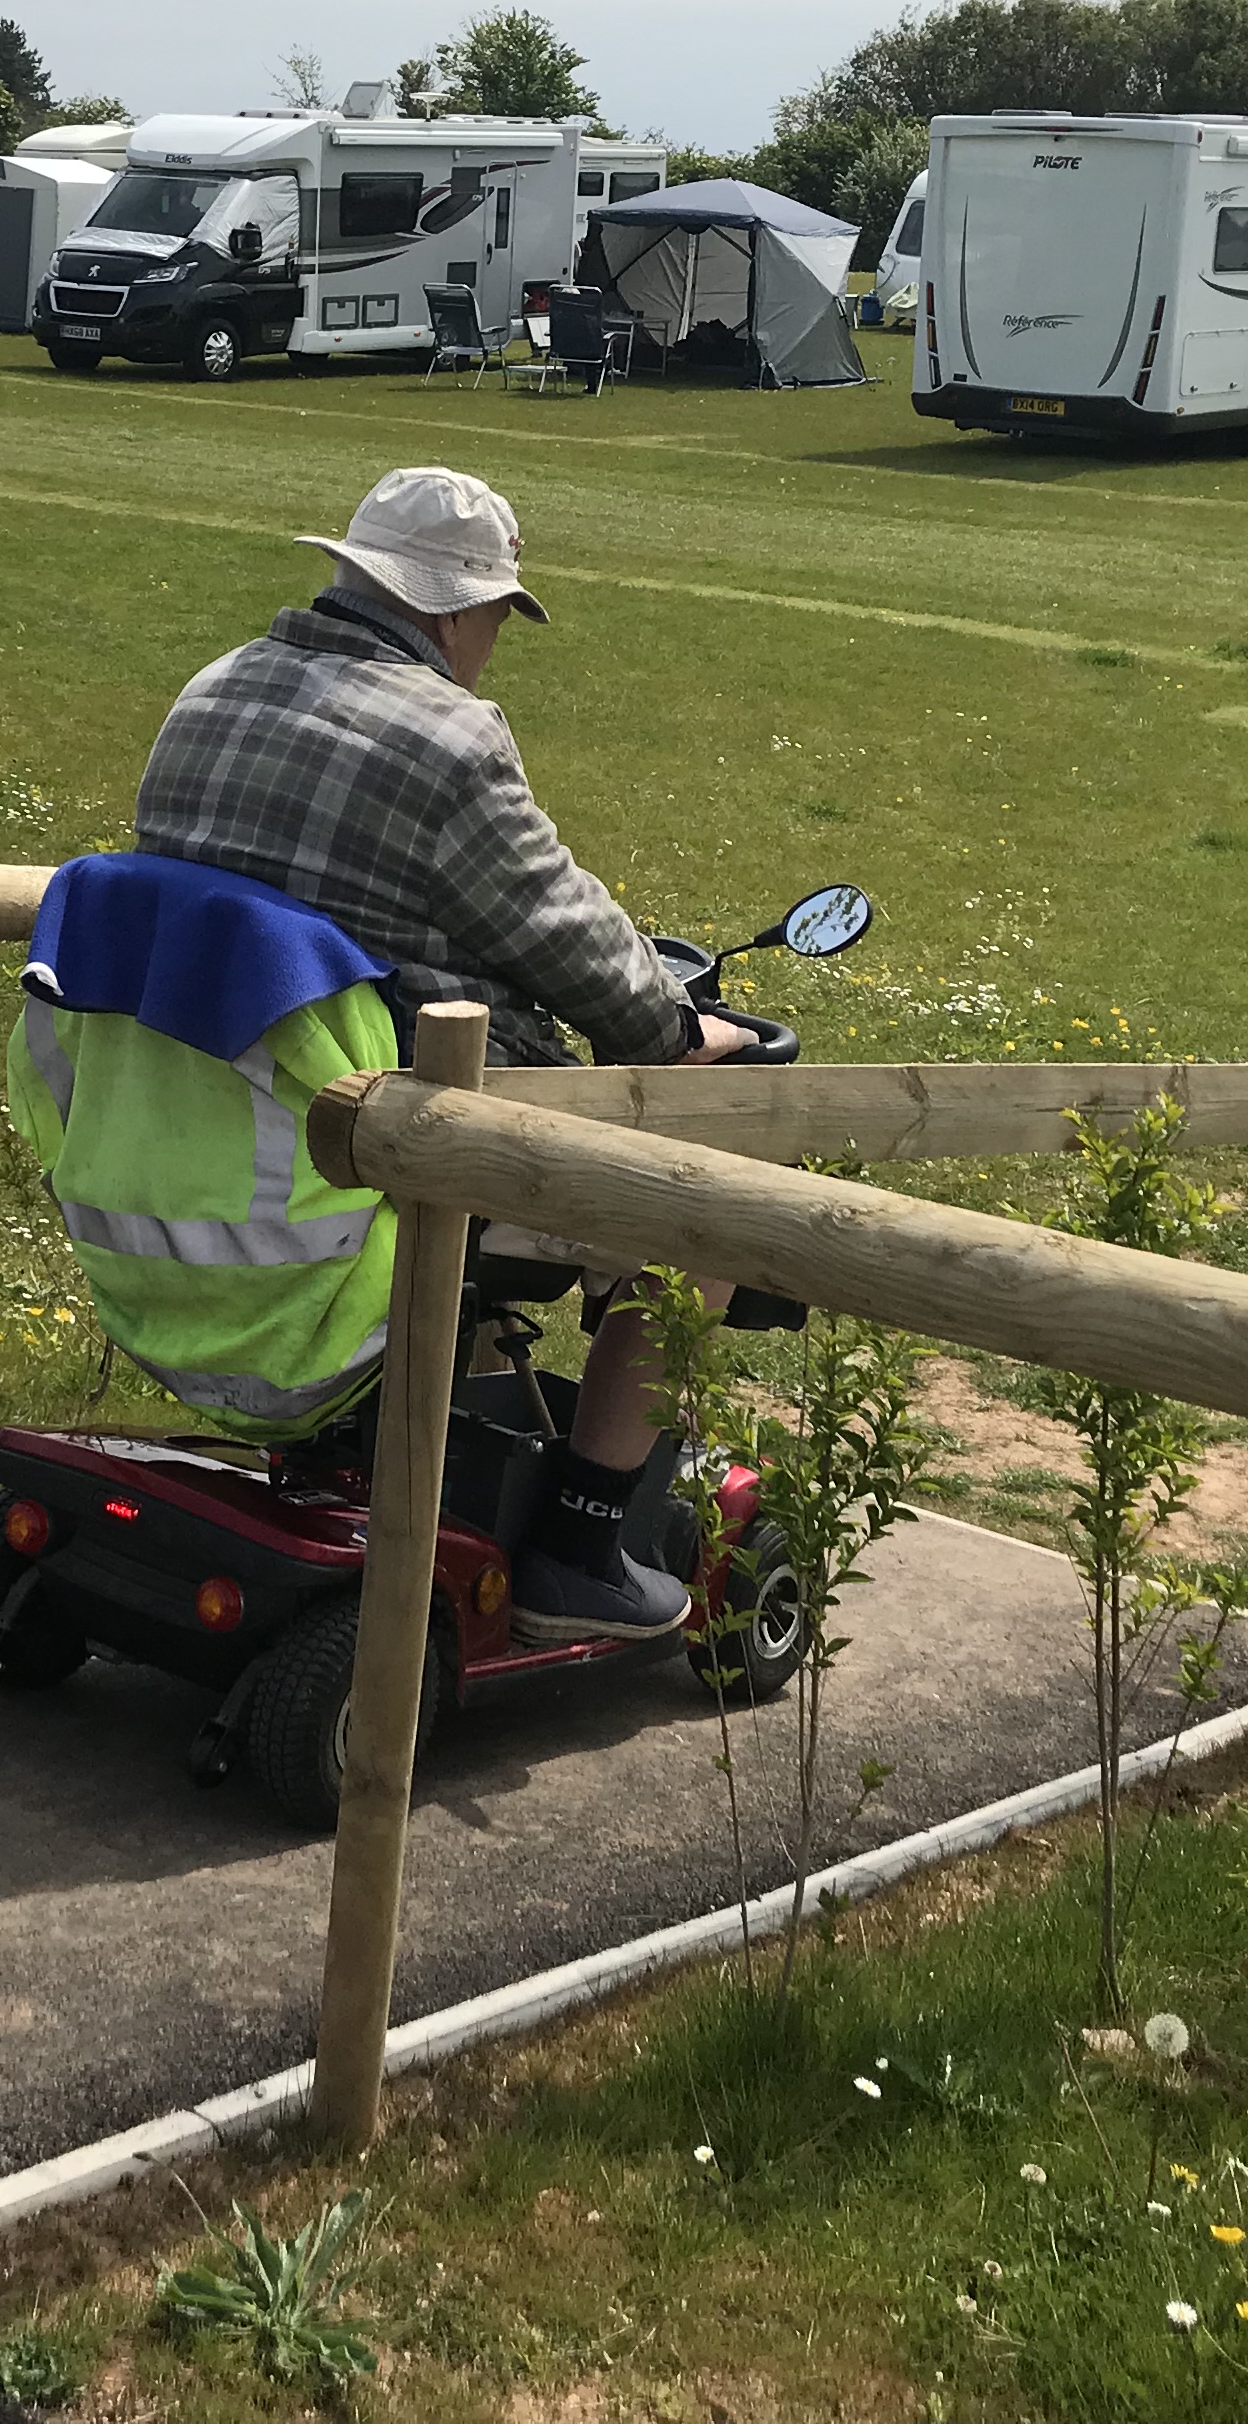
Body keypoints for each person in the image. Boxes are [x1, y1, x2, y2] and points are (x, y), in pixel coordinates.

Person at [134, 464, 750, 1640]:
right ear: (455, 611)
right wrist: (681, 1029)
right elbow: (567, 937)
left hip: (216, 1119)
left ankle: (415, 1463)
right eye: (498, 623)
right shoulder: (447, 739)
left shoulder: (213, 687)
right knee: (711, 1209)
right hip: (387, 1143)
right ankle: (581, 1536)